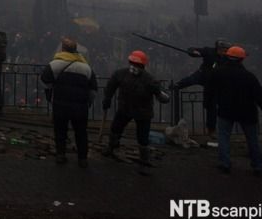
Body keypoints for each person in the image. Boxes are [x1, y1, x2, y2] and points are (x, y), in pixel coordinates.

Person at [102, 50, 170, 172]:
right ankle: (111, 148)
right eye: (132, 63)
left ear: (142, 65)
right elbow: (111, 86)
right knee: (115, 129)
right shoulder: (121, 74)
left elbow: (164, 98)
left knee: (143, 138)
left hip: (143, 112)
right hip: (125, 108)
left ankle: (144, 161)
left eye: (137, 64)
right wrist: (107, 98)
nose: (134, 66)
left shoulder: (149, 80)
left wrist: (159, 92)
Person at [209, 46, 262, 175]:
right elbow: (260, 97)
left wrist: (210, 105)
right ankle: (258, 165)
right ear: (242, 59)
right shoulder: (249, 76)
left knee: (224, 137)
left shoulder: (218, 73)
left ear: (227, 57)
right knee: (252, 139)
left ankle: (225, 163)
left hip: (226, 110)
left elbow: (210, 90)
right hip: (247, 112)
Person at [40, 37, 97, 168]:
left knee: (60, 131)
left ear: (62, 49)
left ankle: (60, 154)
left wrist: (50, 96)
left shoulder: (54, 65)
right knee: (81, 132)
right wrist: (88, 102)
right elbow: (93, 89)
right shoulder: (86, 68)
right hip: (80, 107)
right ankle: (82, 158)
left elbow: (44, 81)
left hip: (60, 105)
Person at [173, 39, 229, 139]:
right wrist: (193, 52)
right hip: (202, 75)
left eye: (225, 50)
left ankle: (211, 130)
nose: (223, 51)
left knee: (212, 108)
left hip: (213, 83)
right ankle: (176, 86)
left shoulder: (227, 58)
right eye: (222, 49)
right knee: (190, 80)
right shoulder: (209, 51)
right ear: (217, 48)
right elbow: (193, 49)